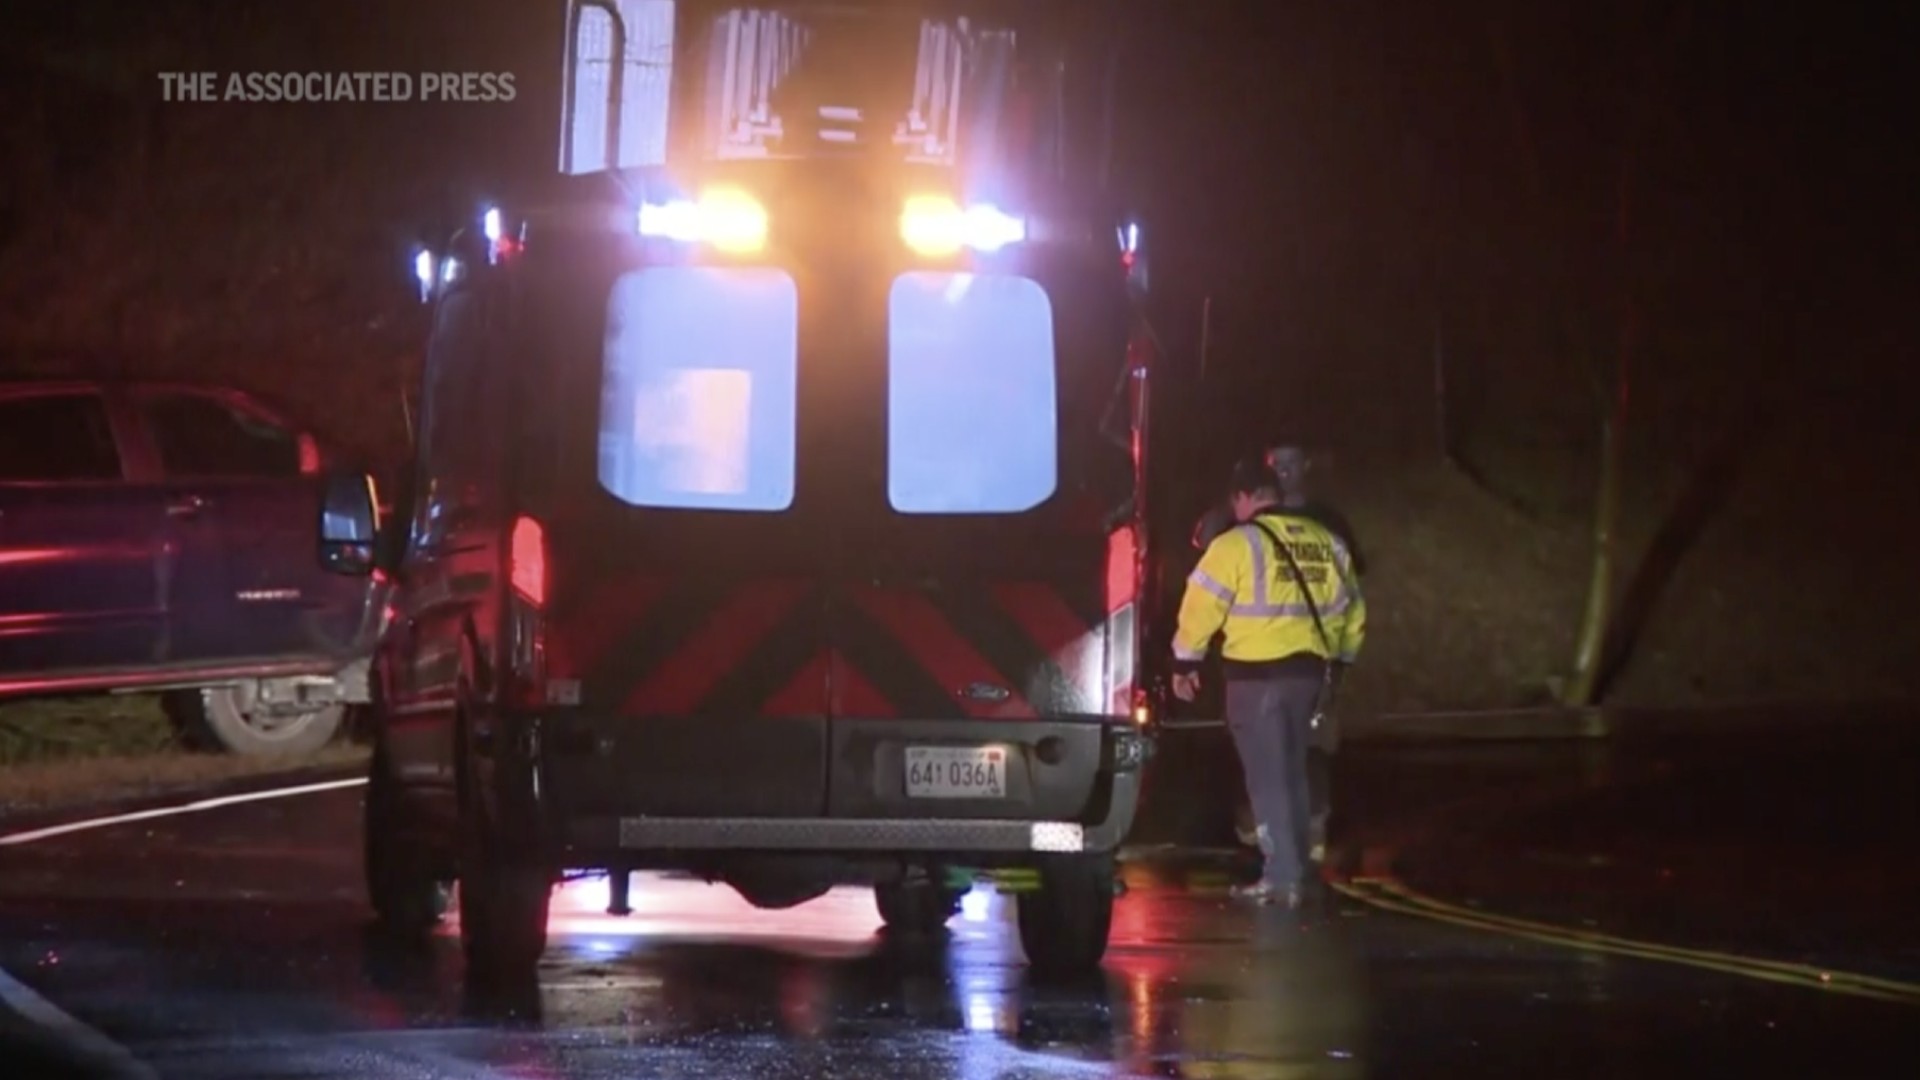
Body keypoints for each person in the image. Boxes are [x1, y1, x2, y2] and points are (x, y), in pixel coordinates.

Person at [1172, 458, 1366, 906]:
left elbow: (1201, 607)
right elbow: (1354, 610)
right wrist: (1341, 663)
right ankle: (1296, 868)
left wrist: (1186, 663)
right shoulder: (1327, 542)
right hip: (1310, 675)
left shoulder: (1236, 545)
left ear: (1244, 498)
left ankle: (1281, 877)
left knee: (1267, 777)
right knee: (1294, 772)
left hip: (1256, 678)